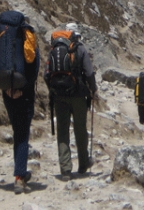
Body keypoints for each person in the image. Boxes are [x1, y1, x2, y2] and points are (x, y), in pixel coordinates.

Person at [0, 10, 40, 194]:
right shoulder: (28, 36)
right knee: (22, 133)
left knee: (16, 129)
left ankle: (21, 171)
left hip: (6, 91)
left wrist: (8, 89)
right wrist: (23, 88)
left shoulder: (0, 34)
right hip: (24, 92)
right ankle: (19, 176)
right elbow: (34, 67)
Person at [44, 23, 97, 181]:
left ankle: (65, 169)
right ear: (77, 35)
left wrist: (53, 90)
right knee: (80, 130)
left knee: (62, 131)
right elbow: (89, 72)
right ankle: (83, 164)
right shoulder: (80, 48)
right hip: (79, 96)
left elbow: (46, 75)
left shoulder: (54, 49)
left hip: (59, 96)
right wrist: (93, 89)